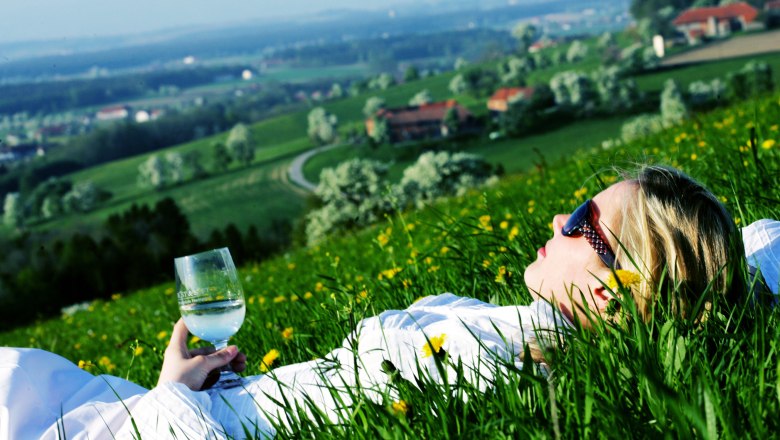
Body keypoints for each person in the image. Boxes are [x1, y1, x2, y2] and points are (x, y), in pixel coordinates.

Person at [0, 165, 757, 439]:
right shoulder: (527, 336)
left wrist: (174, 398)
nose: (558, 220)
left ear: (609, 290)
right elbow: (760, 241)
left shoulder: (503, 359)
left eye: (583, 223)